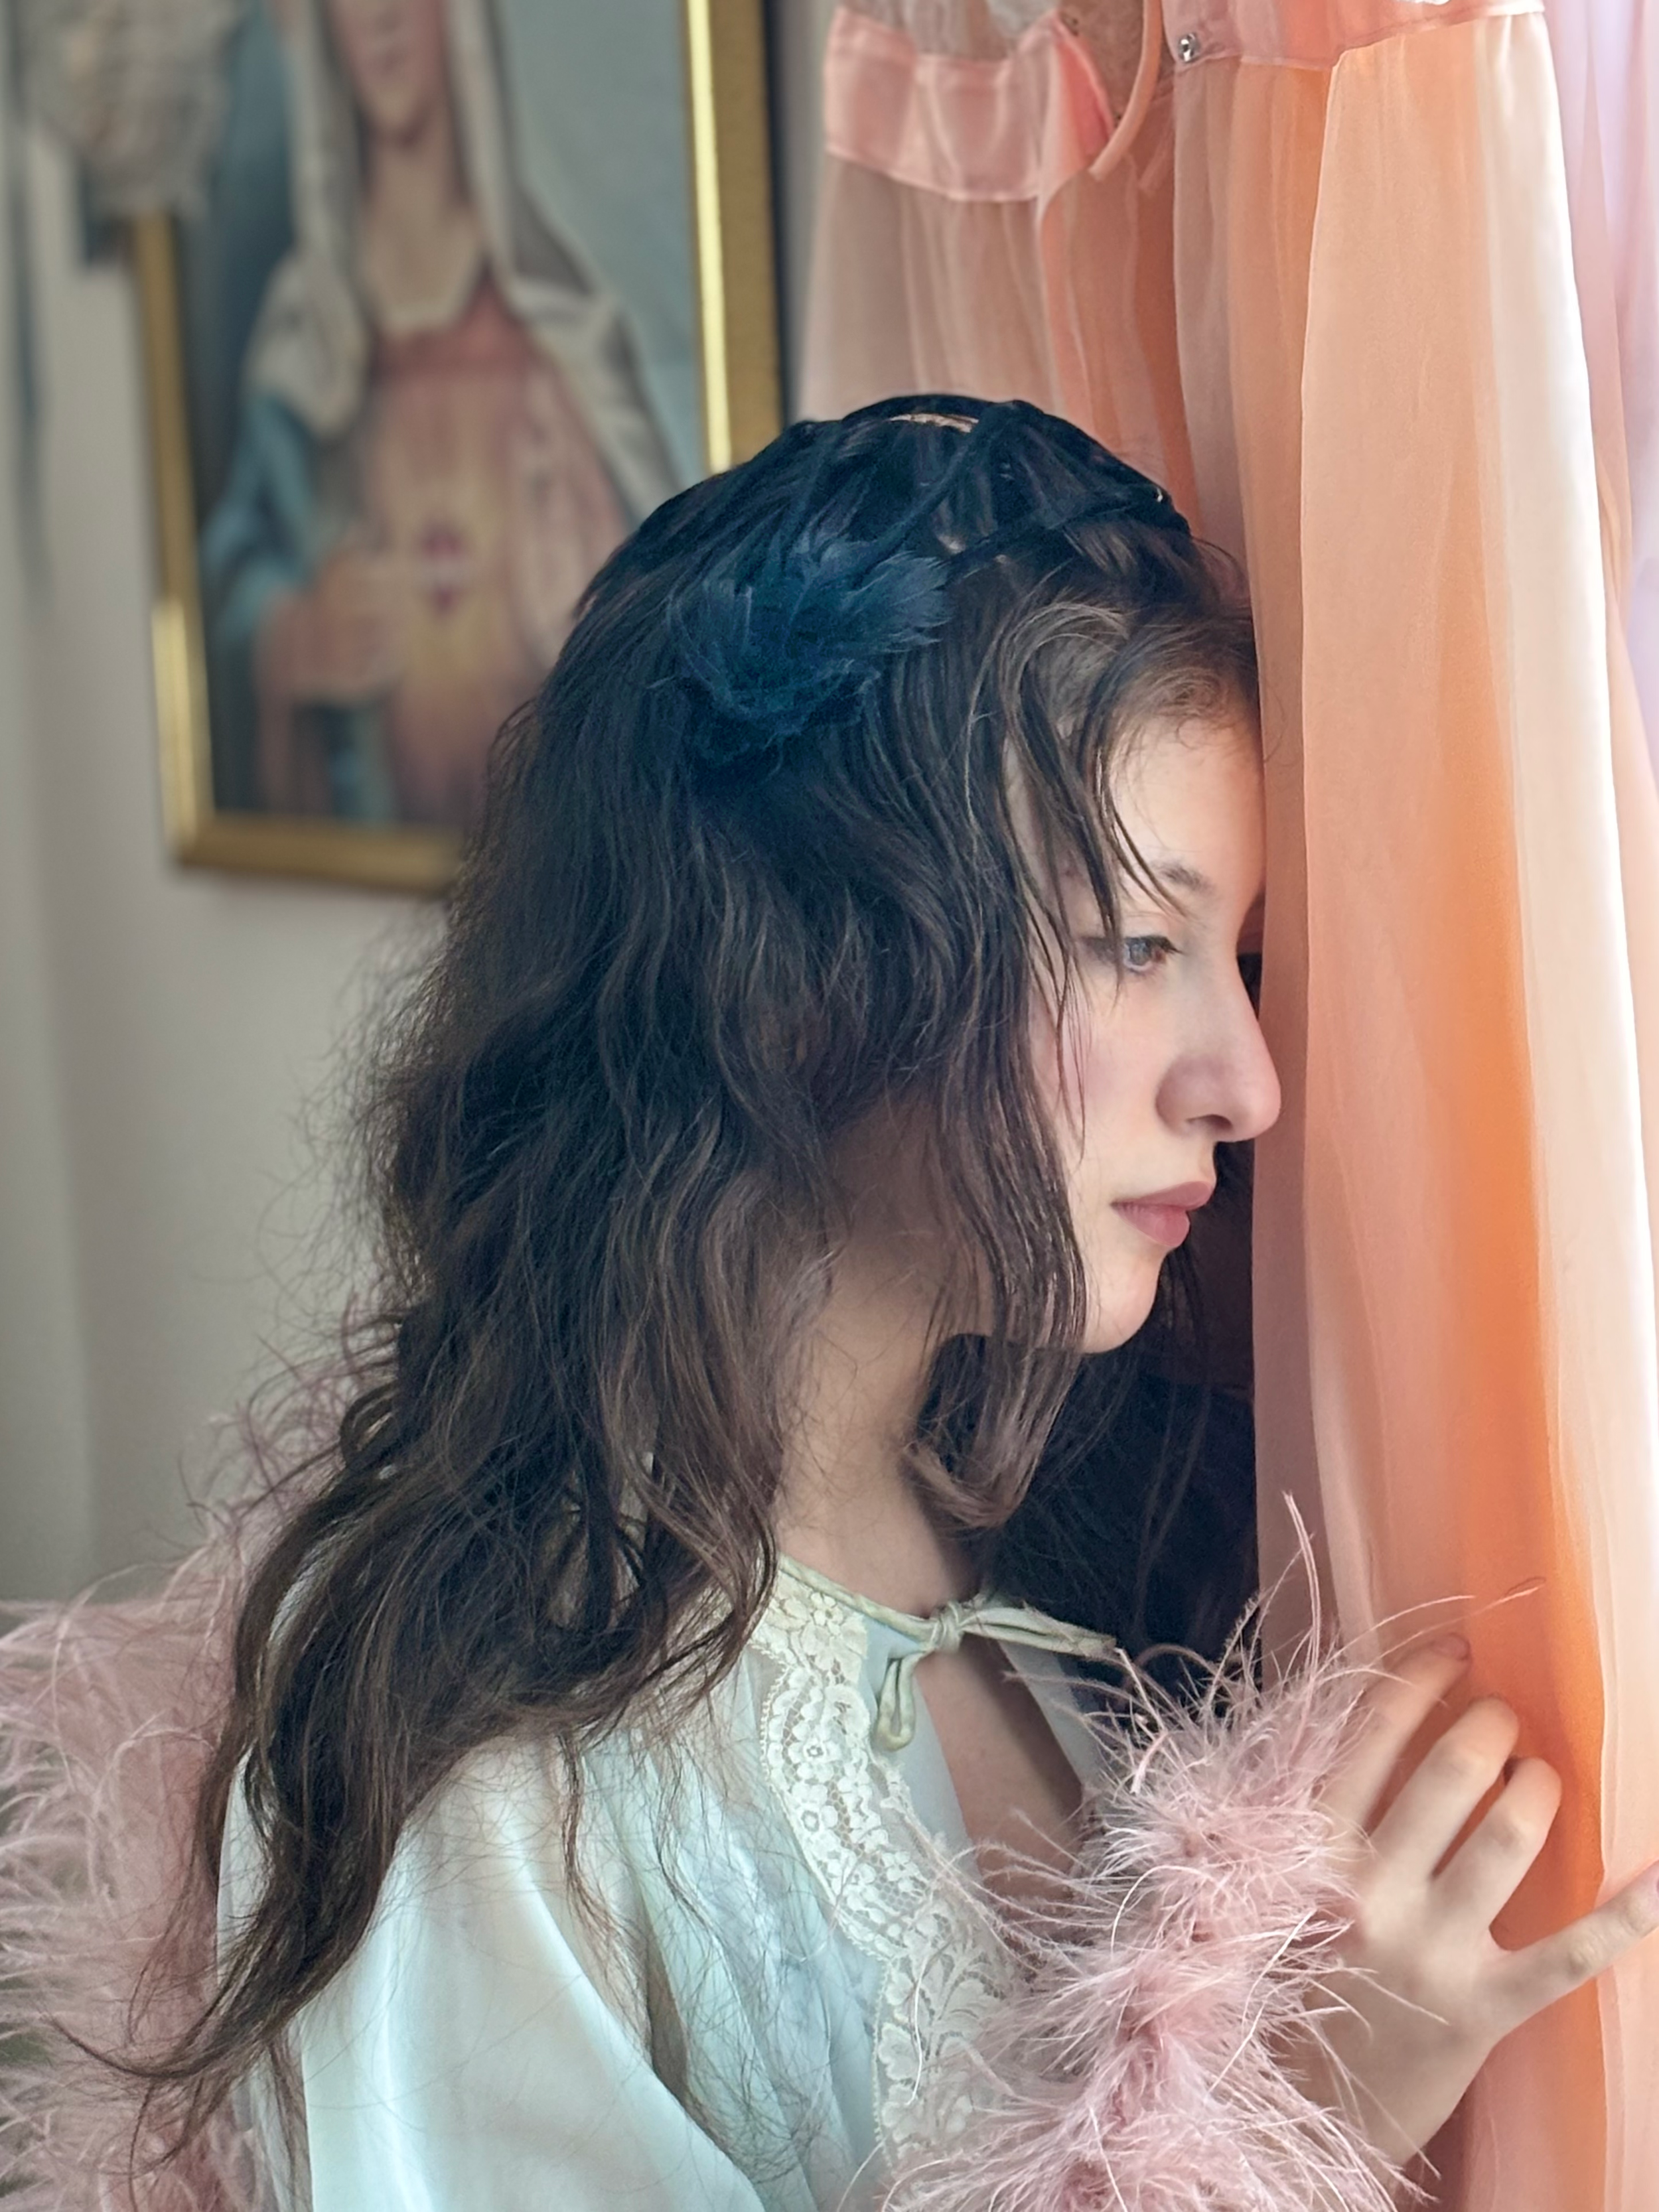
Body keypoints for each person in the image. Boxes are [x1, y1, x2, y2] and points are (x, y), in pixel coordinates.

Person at [5, 396, 1656, 2212]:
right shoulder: (483, 1741)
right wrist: (1279, 2107)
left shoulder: (1118, 1545)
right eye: (1132, 940)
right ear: (797, 970)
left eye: (1234, 956)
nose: (1244, 1080)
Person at [201, 0, 680, 826]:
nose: (382, 19)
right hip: (368, 859)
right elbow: (228, 573)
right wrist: (296, 630)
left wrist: (594, 594)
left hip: (557, 858)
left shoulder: (556, 319)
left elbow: (669, 576)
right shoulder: (301, 343)